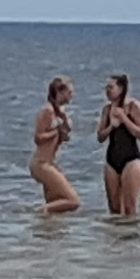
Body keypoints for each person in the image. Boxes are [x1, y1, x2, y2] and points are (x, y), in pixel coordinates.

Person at [96, 73, 140, 216]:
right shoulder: (107, 110)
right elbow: (100, 137)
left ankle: (131, 235)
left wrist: (124, 119)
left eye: (111, 88)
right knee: (114, 208)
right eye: (106, 88)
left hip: (131, 158)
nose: (107, 91)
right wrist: (111, 127)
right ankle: (115, 236)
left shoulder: (134, 106)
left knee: (130, 207)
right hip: (112, 158)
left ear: (121, 88)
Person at [29, 76, 82, 214]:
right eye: (69, 92)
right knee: (73, 201)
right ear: (60, 92)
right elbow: (38, 137)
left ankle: (48, 231)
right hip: (41, 163)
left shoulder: (61, 113)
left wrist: (64, 130)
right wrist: (56, 131)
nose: (72, 95)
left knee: (55, 204)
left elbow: (63, 138)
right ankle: (36, 213)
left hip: (51, 163)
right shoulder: (48, 111)